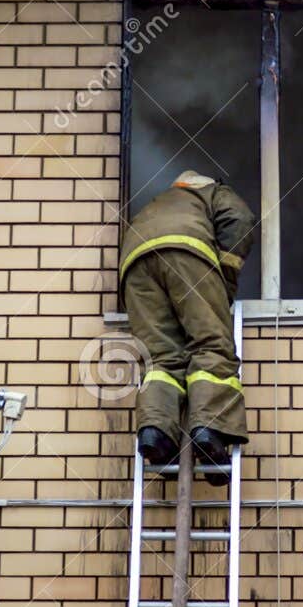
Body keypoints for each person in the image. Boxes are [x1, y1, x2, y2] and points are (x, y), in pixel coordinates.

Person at [119, 170, 255, 480]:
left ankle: (157, 436)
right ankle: (211, 431)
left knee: (161, 359)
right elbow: (240, 219)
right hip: (186, 253)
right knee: (211, 344)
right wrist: (225, 280)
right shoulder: (213, 192)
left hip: (134, 266)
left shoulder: (158, 202)